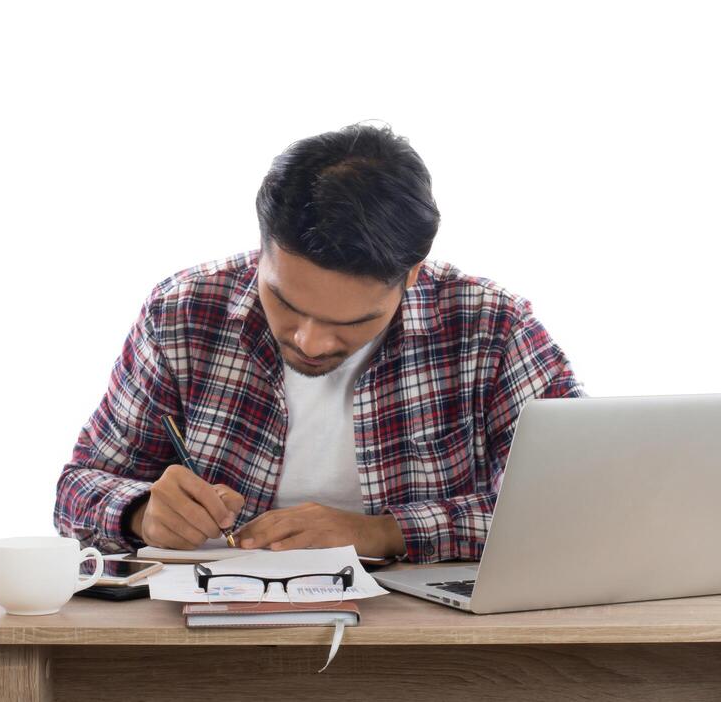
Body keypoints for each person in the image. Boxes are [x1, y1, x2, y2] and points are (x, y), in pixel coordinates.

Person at [53, 123, 584, 563]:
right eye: (284, 302)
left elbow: (574, 507)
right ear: (263, 250)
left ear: (413, 275)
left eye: (349, 322)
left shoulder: (492, 327)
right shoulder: (184, 313)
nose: (308, 340)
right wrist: (140, 511)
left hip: (429, 640)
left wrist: (381, 533)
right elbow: (76, 488)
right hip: (209, 635)